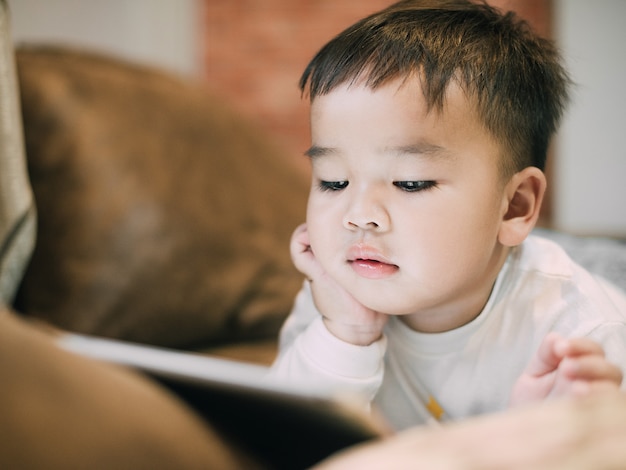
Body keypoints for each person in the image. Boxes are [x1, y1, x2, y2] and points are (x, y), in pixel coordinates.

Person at [269, 0, 626, 430]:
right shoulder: (333, 296)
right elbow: (285, 436)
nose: (358, 216)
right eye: (333, 182)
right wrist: (345, 334)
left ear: (514, 205)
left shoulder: (584, 336)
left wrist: (533, 445)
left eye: (410, 183)